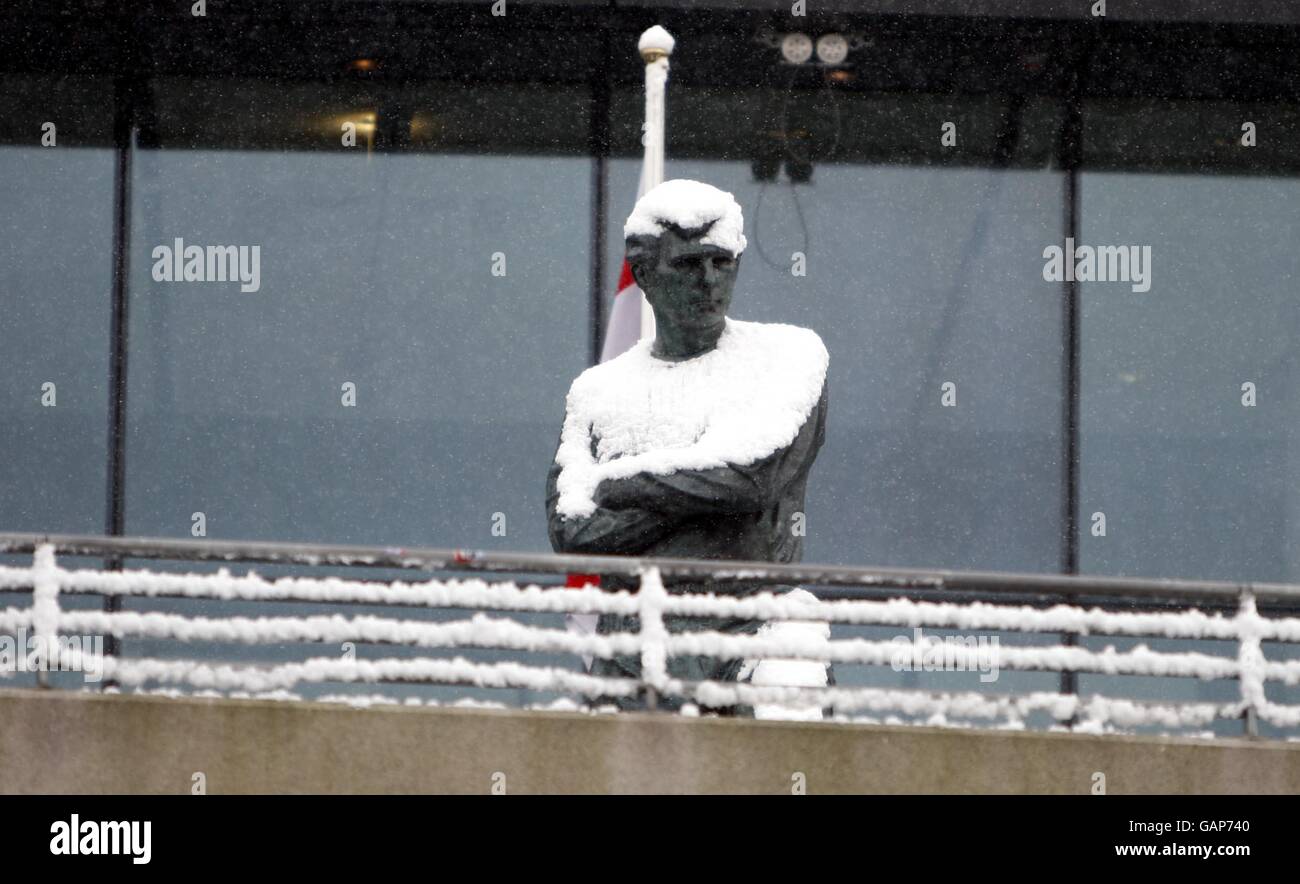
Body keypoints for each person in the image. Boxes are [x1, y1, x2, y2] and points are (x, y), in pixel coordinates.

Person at [544, 179, 830, 715]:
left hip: (756, 633)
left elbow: (752, 479)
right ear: (646, 275)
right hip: (637, 644)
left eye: (722, 262)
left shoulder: (788, 358)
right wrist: (700, 501)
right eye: (688, 265)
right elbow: (574, 532)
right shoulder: (598, 392)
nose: (708, 281)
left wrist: (623, 484)